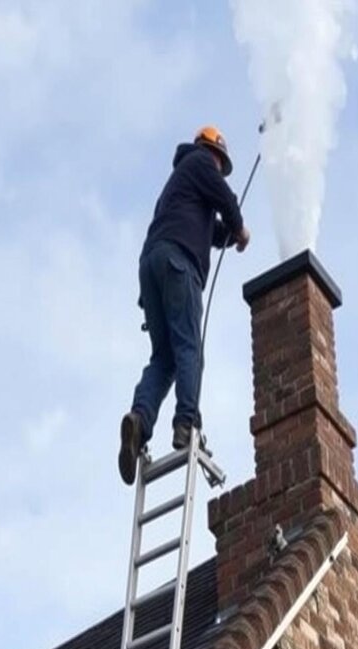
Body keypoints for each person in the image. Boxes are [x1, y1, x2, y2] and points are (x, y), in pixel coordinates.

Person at [118, 126, 250, 485]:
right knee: (190, 349)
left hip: (153, 268)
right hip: (178, 266)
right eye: (220, 163)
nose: (220, 169)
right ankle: (186, 421)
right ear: (215, 154)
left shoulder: (179, 182)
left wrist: (227, 237)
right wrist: (241, 229)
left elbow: (210, 230)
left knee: (165, 358)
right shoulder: (201, 163)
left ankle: (139, 421)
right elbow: (225, 199)